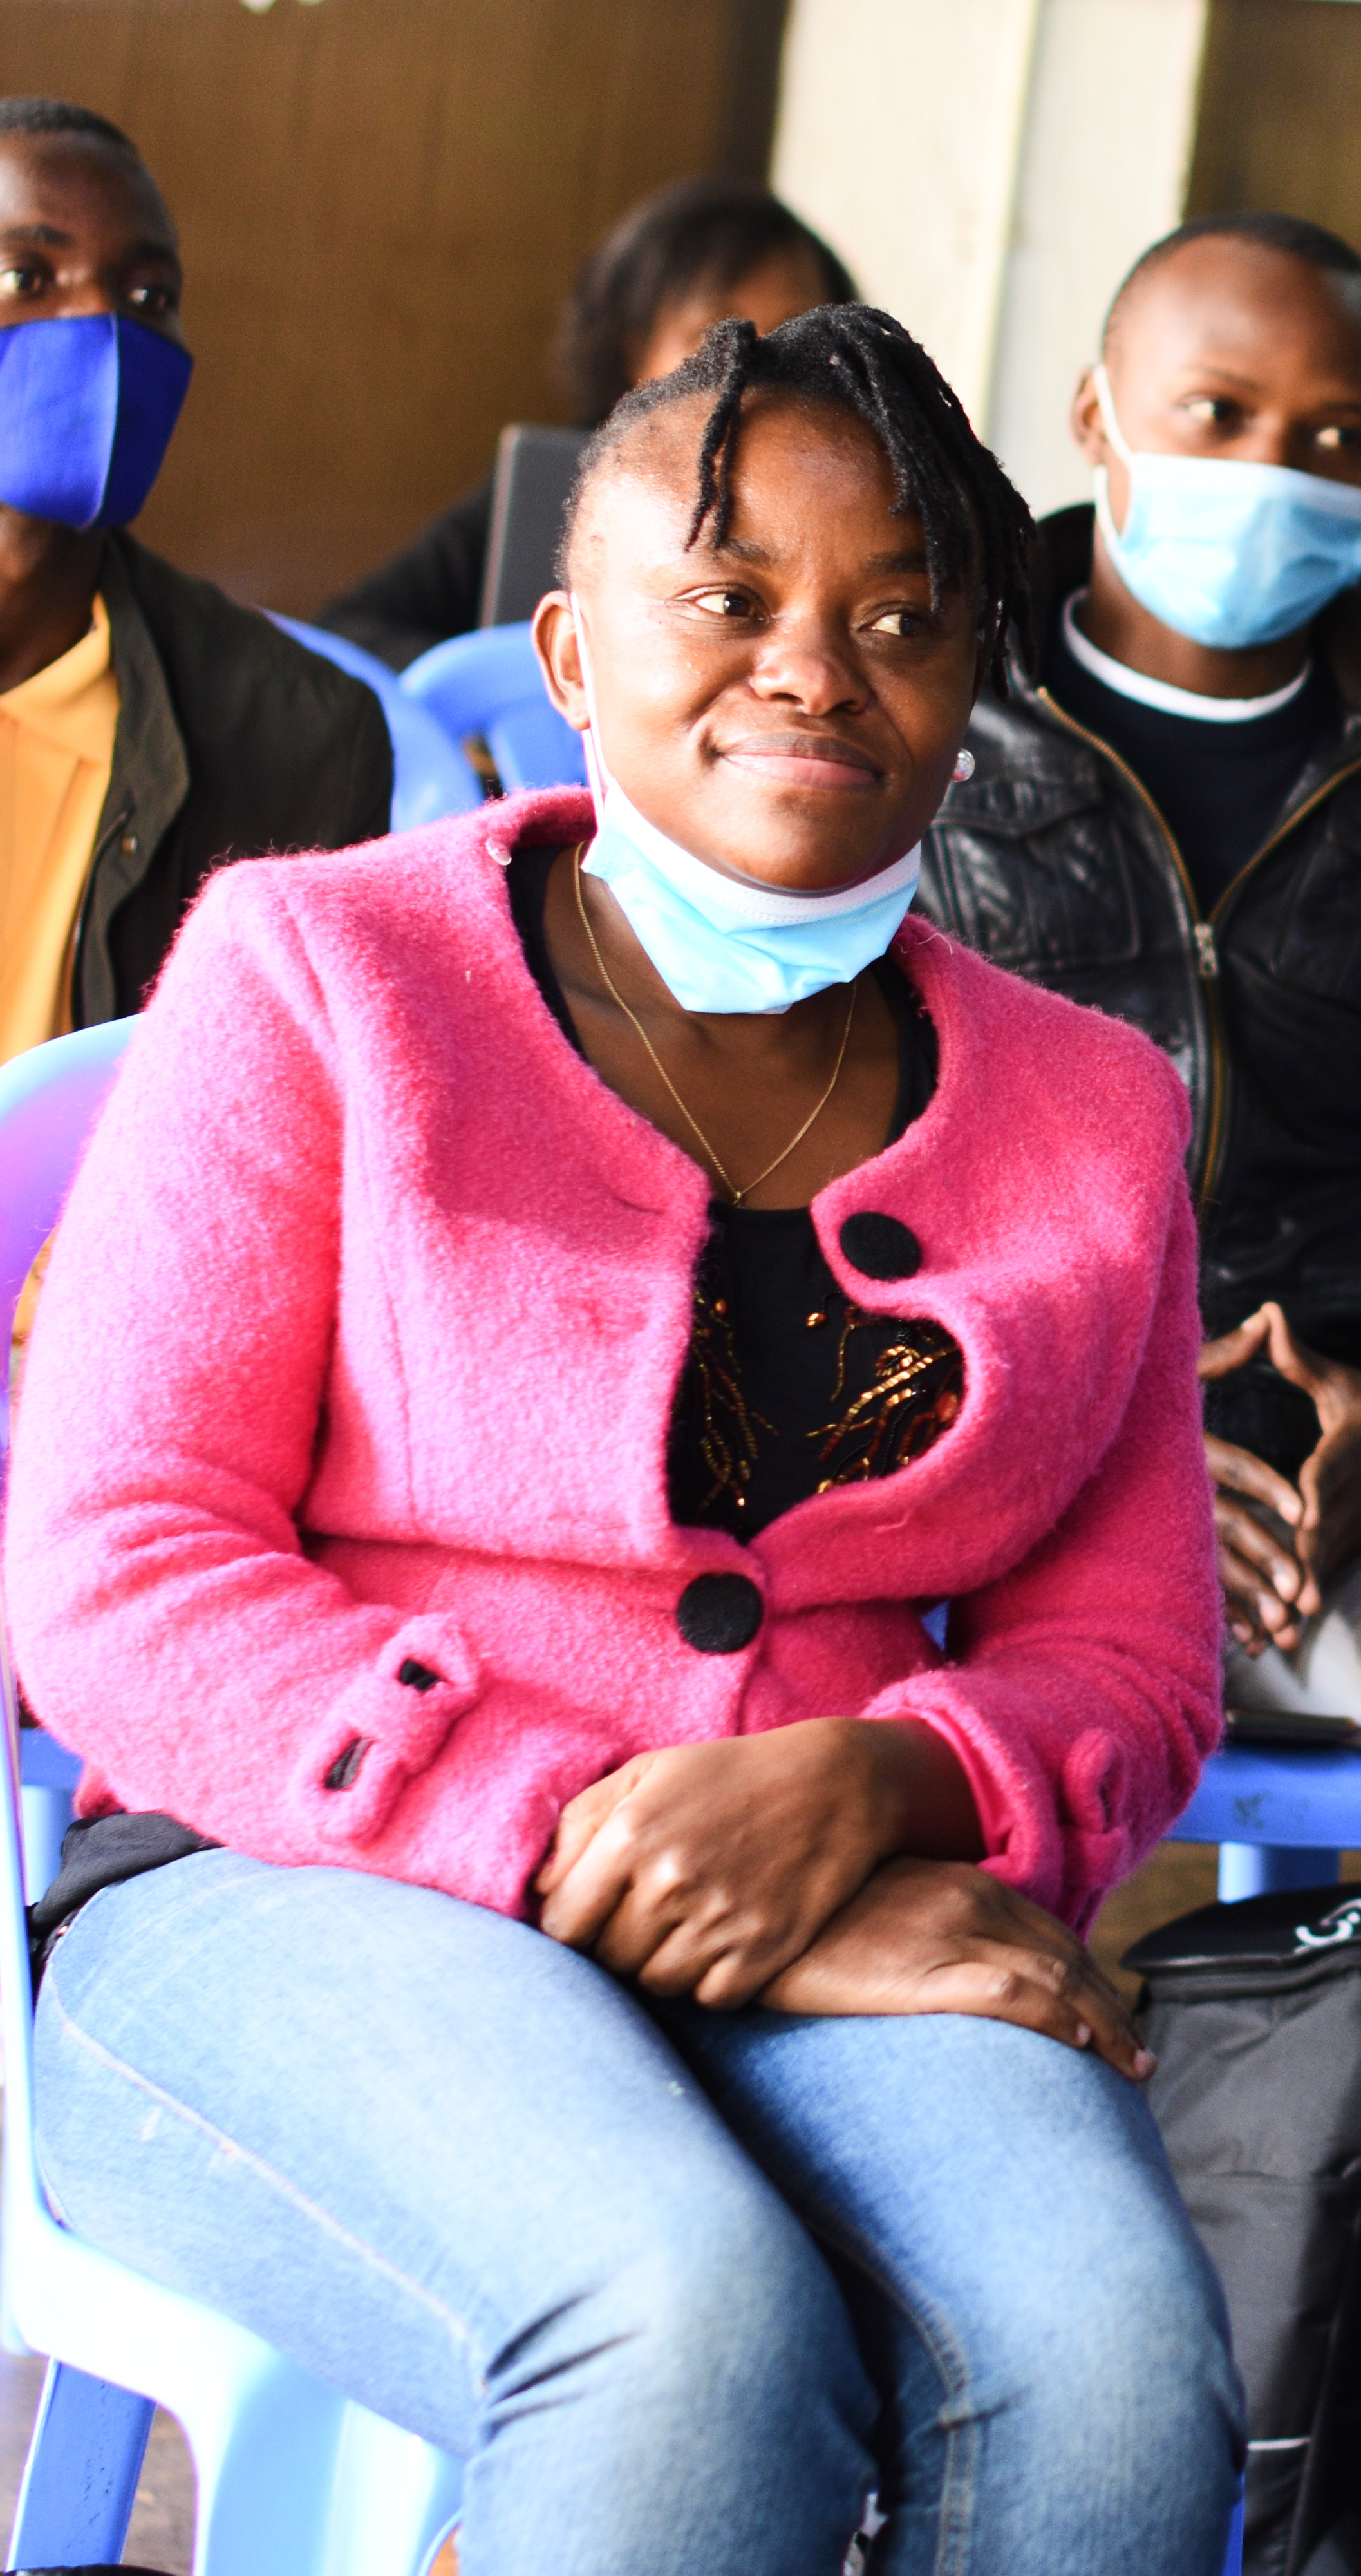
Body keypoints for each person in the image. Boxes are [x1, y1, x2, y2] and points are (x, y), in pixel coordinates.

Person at [4, 306, 1241, 2575]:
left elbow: (1137, 1654)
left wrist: (879, 1789)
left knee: (1120, 2362)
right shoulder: (318, 972)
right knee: (686, 2325)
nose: (816, 670)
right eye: (730, 595)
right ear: (572, 652)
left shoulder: (1092, 1107)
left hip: (843, 1884)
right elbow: (120, 1560)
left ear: (974, 688)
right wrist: (618, 1846)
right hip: (286, 1880)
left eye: (903, 620)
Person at [911, 210, 1361, 1746]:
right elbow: (802, 1179)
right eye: (1217, 413)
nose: (1274, 471)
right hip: (957, 1476)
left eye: (1337, 438)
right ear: (1096, 414)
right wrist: (1095, 1456)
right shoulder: (917, 726)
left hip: (1329, 1514)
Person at [0, 99, 388, 1055]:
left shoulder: (299, 742)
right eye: (25, 276)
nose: (100, 328)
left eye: (146, 296)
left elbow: (279, 1093)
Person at [321, 176, 854, 668]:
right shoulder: (559, 487)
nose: (752, 365)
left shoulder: (852, 501)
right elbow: (348, 633)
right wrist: (494, 694)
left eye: (791, 335)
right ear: (635, 354)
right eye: (716, 336)